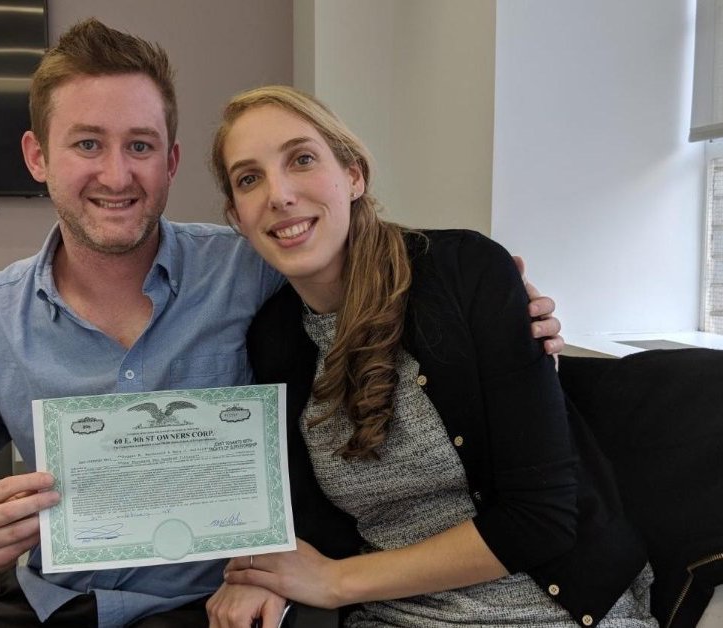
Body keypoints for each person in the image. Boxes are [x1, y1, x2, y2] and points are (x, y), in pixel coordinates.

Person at [0, 19, 562, 628]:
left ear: (170, 163)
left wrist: (504, 304)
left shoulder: (254, 267)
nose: (116, 175)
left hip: (234, 602)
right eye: (87, 144)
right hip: (64, 604)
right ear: (38, 157)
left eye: (139, 146)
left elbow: (367, 256)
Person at [205, 85, 656, 628]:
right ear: (237, 216)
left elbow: (541, 518)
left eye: (301, 159)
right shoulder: (273, 336)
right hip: (386, 616)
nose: (278, 195)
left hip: (547, 606)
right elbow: (299, 514)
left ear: (354, 175)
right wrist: (256, 576)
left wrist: (336, 581)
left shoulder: (466, 273)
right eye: (249, 179)